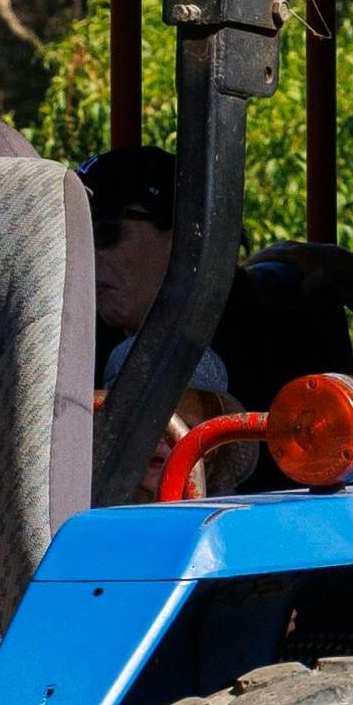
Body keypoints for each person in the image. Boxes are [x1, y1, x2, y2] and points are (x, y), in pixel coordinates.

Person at [82, 145, 244, 494]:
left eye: (104, 229)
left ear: (186, 237)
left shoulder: (256, 345)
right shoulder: (80, 346)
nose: (88, 255)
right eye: (78, 237)